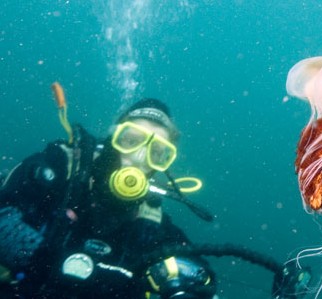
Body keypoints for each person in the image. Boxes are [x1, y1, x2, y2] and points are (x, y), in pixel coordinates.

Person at [1, 98, 217, 298]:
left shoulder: (150, 219)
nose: (139, 157)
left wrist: (180, 278)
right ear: (113, 138)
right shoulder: (62, 167)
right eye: (131, 140)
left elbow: (202, 276)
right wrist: (51, 261)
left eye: (157, 152)